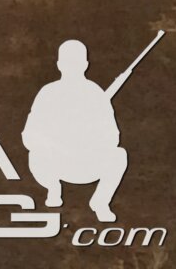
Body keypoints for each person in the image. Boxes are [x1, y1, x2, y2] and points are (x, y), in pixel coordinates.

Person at [23, 40, 129, 223]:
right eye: (67, 62)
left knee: (119, 156)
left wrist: (89, 140)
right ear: (59, 65)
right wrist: (52, 143)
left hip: (87, 162)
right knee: (35, 155)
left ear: (85, 65)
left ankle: (101, 202)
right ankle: (53, 188)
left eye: (76, 62)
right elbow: (29, 134)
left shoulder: (96, 94)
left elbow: (113, 136)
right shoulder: (48, 93)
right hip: (55, 162)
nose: (72, 67)